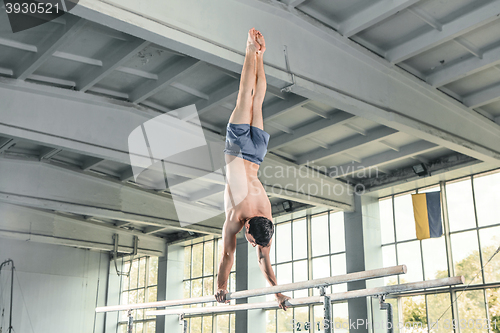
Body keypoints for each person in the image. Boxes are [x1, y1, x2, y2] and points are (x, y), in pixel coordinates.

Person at [214, 28, 290, 311]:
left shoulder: (267, 222)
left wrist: (277, 292)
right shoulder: (236, 218)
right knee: (245, 96)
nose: (251, 243)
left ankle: (260, 55)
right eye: (250, 239)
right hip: (236, 152)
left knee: (257, 100)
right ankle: (249, 49)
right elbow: (226, 257)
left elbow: (263, 258)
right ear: (248, 227)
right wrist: (220, 287)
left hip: (257, 155)